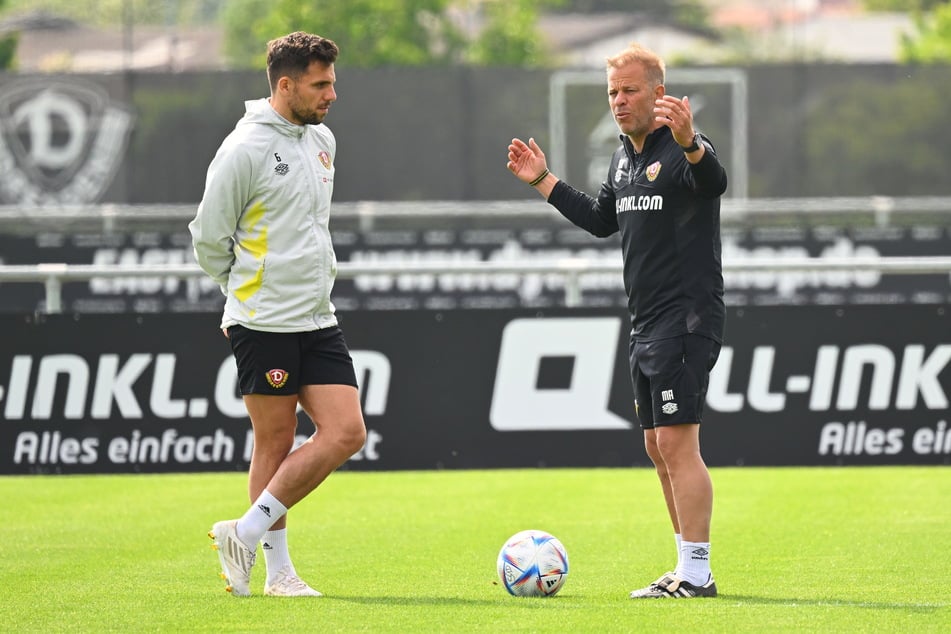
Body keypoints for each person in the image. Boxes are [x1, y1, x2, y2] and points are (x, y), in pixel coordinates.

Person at [506, 42, 727, 599]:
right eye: (613, 92)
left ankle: (698, 572)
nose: (620, 101)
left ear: (659, 92)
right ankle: (685, 567)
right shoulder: (623, 157)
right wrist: (544, 181)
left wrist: (692, 144)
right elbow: (603, 219)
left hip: (686, 318)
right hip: (646, 323)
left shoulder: (682, 149)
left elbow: (713, 182)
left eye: (630, 90)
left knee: (679, 446)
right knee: (657, 447)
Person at [189, 31, 367, 598]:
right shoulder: (243, 149)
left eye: (332, 82)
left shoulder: (323, 140)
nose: (331, 94)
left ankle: (240, 533)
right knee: (274, 442)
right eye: (320, 84)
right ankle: (279, 574)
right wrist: (240, 294)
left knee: (346, 432)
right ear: (284, 84)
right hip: (262, 320)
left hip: (318, 317)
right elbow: (207, 238)